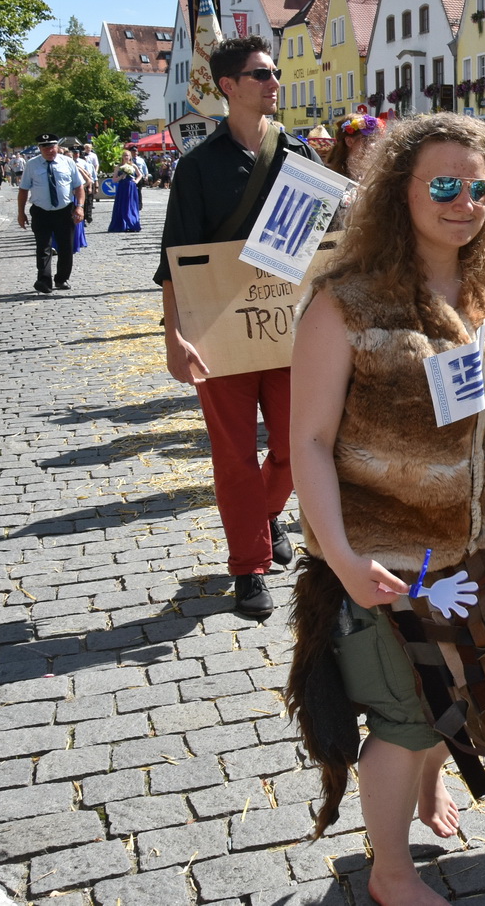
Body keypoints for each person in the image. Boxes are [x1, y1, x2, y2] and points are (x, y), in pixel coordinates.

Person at [286, 112, 485, 906]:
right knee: (406, 721)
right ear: (397, 191)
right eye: (444, 184)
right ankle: (389, 871)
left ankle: (424, 790)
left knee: (457, 698)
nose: (466, 202)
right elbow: (307, 440)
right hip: (386, 562)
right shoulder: (345, 304)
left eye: (482, 187)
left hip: (482, 549)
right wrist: (342, 559)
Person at [157, 34, 319, 620]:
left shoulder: (298, 153)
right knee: (233, 457)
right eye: (260, 74)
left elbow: (322, 245)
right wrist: (172, 335)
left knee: (296, 449)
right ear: (228, 87)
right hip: (218, 326)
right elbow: (174, 258)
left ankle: (265, 514)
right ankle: (248, 569)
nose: (273, 80)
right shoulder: (198, 167)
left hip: (290, 326)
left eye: (274, 71)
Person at [16, 136, 85, 295]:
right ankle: (44, 280)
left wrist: (80, 207)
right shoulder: (32, 165)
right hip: (41, 212)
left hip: (64, 211)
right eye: (45, 148)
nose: (49, 151)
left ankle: (61, 278)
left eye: (51, 147)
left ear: (57, 147)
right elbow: (23, 190)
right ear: (39, 149)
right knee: (43, 247)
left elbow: (79, 186)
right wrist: (21, 213)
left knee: (66, 247)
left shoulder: (67, 162)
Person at [107, 157, 142, 233]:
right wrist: (121, 176)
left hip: (131, 187)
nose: (126, 157)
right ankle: (121, 224)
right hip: (122, 187)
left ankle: (132, 223)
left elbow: (140, 175)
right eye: (124, 155)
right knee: (122, 205)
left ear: (130, 157)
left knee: (131, 205)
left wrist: (136, 181)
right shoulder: (119, 167)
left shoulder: (133, 165)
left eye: (128, 155)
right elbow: (114, 180)